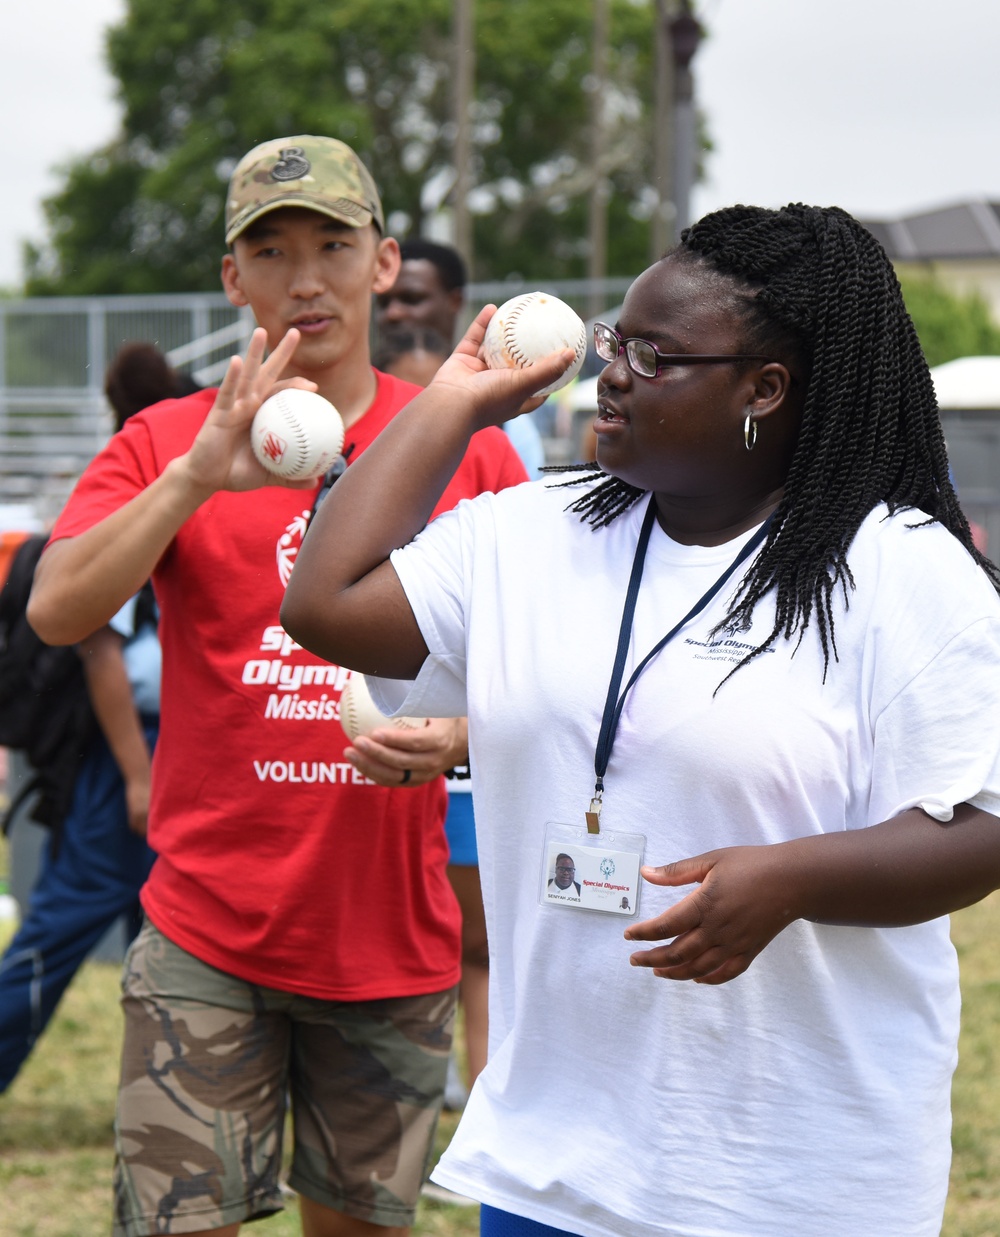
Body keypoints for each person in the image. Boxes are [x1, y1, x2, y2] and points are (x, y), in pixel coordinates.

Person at [280, 202, 1000, 1237]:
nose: (609, 372)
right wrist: (450, 403)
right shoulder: (532, 533)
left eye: (655, 356)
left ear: (764, 389)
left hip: (792, 1178)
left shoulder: (897, 567)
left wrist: (789, 879)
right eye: (616, 341)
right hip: (557, 1163)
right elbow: (324, 604)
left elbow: (978, 824)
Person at [27, 134, 527, 1237]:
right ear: (232, 280)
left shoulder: (464, 444)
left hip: (389, 941)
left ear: (383, 263)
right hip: (208, 932)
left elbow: (536, 668)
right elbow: (57, 608)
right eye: (272, 249)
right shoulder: (167, 436)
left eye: (333, 245)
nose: (306, 279)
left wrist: (456, 732)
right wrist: (199, 473)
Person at [0, 343, 177, 1094]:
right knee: (64, 922)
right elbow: (103, 654)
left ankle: (184, 1087)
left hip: (179, 744)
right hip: (128, 753)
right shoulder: (138, 481)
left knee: (181, 937)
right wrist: (138, 777)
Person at [372, 326, 490, 1108]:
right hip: (406, 769)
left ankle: (480, 1101)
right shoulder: (377, 487)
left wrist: (460, 733)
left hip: (470, 773)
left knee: (480, 951)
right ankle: (455, 1084)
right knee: (455, 947)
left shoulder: (492, 487)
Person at [377, 238, 546, 480]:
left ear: (454, 301)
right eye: (383, 302)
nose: (393, 313)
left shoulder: (507, 424)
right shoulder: (354, 401)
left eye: (412, 299)